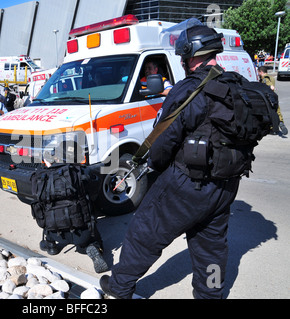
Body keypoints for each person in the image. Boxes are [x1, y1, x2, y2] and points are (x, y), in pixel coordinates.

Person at [100, 21, 243, 299]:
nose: (180, 58)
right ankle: (210, 295)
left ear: (191, 54)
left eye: (183, 54)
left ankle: (120, 287)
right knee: (211, 248)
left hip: (186, 183)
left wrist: (155, 165)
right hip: (225, 184)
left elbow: (162, 142)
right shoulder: (236, 85)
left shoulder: (190, 89)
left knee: (144, 233)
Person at [257, 66, 288, 135]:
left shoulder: (265, 79)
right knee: (277, 111)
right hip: (274, 97)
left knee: (269, 113)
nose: (258, 73)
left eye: (258, 72)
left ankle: (272, 128)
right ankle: (280, 123)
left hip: (268, 99)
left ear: (261, 72)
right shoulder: (271, 77)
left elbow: (271, 87)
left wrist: (269, 87)